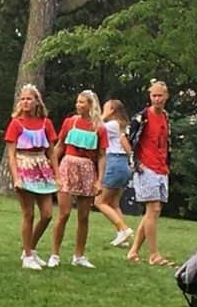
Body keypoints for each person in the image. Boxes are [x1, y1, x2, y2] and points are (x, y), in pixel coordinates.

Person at [47, 90, 107, 269]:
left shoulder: (99, 128)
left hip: (87, 169)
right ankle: (54, 254)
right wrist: (52, 167)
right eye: (77, 102)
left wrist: (99, 180)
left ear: (90, 105)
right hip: (68, 166)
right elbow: (59, 146)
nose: (78, 105)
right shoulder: (70, 122)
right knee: (63, 213)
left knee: (83, 216)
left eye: (82, 102)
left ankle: (79, 255)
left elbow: (102, 155)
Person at [4, 83, 58, 270]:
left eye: (29, 99)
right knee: (29, 213)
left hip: (42, 167)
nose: (25, 102)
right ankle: (27, 256)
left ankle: (30, 248)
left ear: (37, 101)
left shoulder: (46, 123)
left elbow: (52, 152)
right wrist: (16, 177)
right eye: (23, 99)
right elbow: (11, 154)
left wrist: (57, 174)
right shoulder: (16, 123)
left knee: (47, 214)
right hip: (24, 166)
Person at [126, 80, 173, 267]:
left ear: (166, 96)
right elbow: (125, 137)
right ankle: (154, 254)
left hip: (161, 167)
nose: (157, 99)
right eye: (154, 95)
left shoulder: (165, 117)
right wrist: (135, 161)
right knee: (152, 209)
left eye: (160, 95)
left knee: (153, 211)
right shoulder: (142, 117)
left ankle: (133, 251)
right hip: (146, 168)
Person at [95, 99, 134, 248]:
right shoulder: (122, 125)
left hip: (114, 162)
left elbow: (95, 128)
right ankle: (122, 235)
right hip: (123, 164)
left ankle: (123, 229)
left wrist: (104, 116)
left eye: (105, 108)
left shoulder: (111, 125)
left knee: (100, 202)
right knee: (114, 203)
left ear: (112, 110)